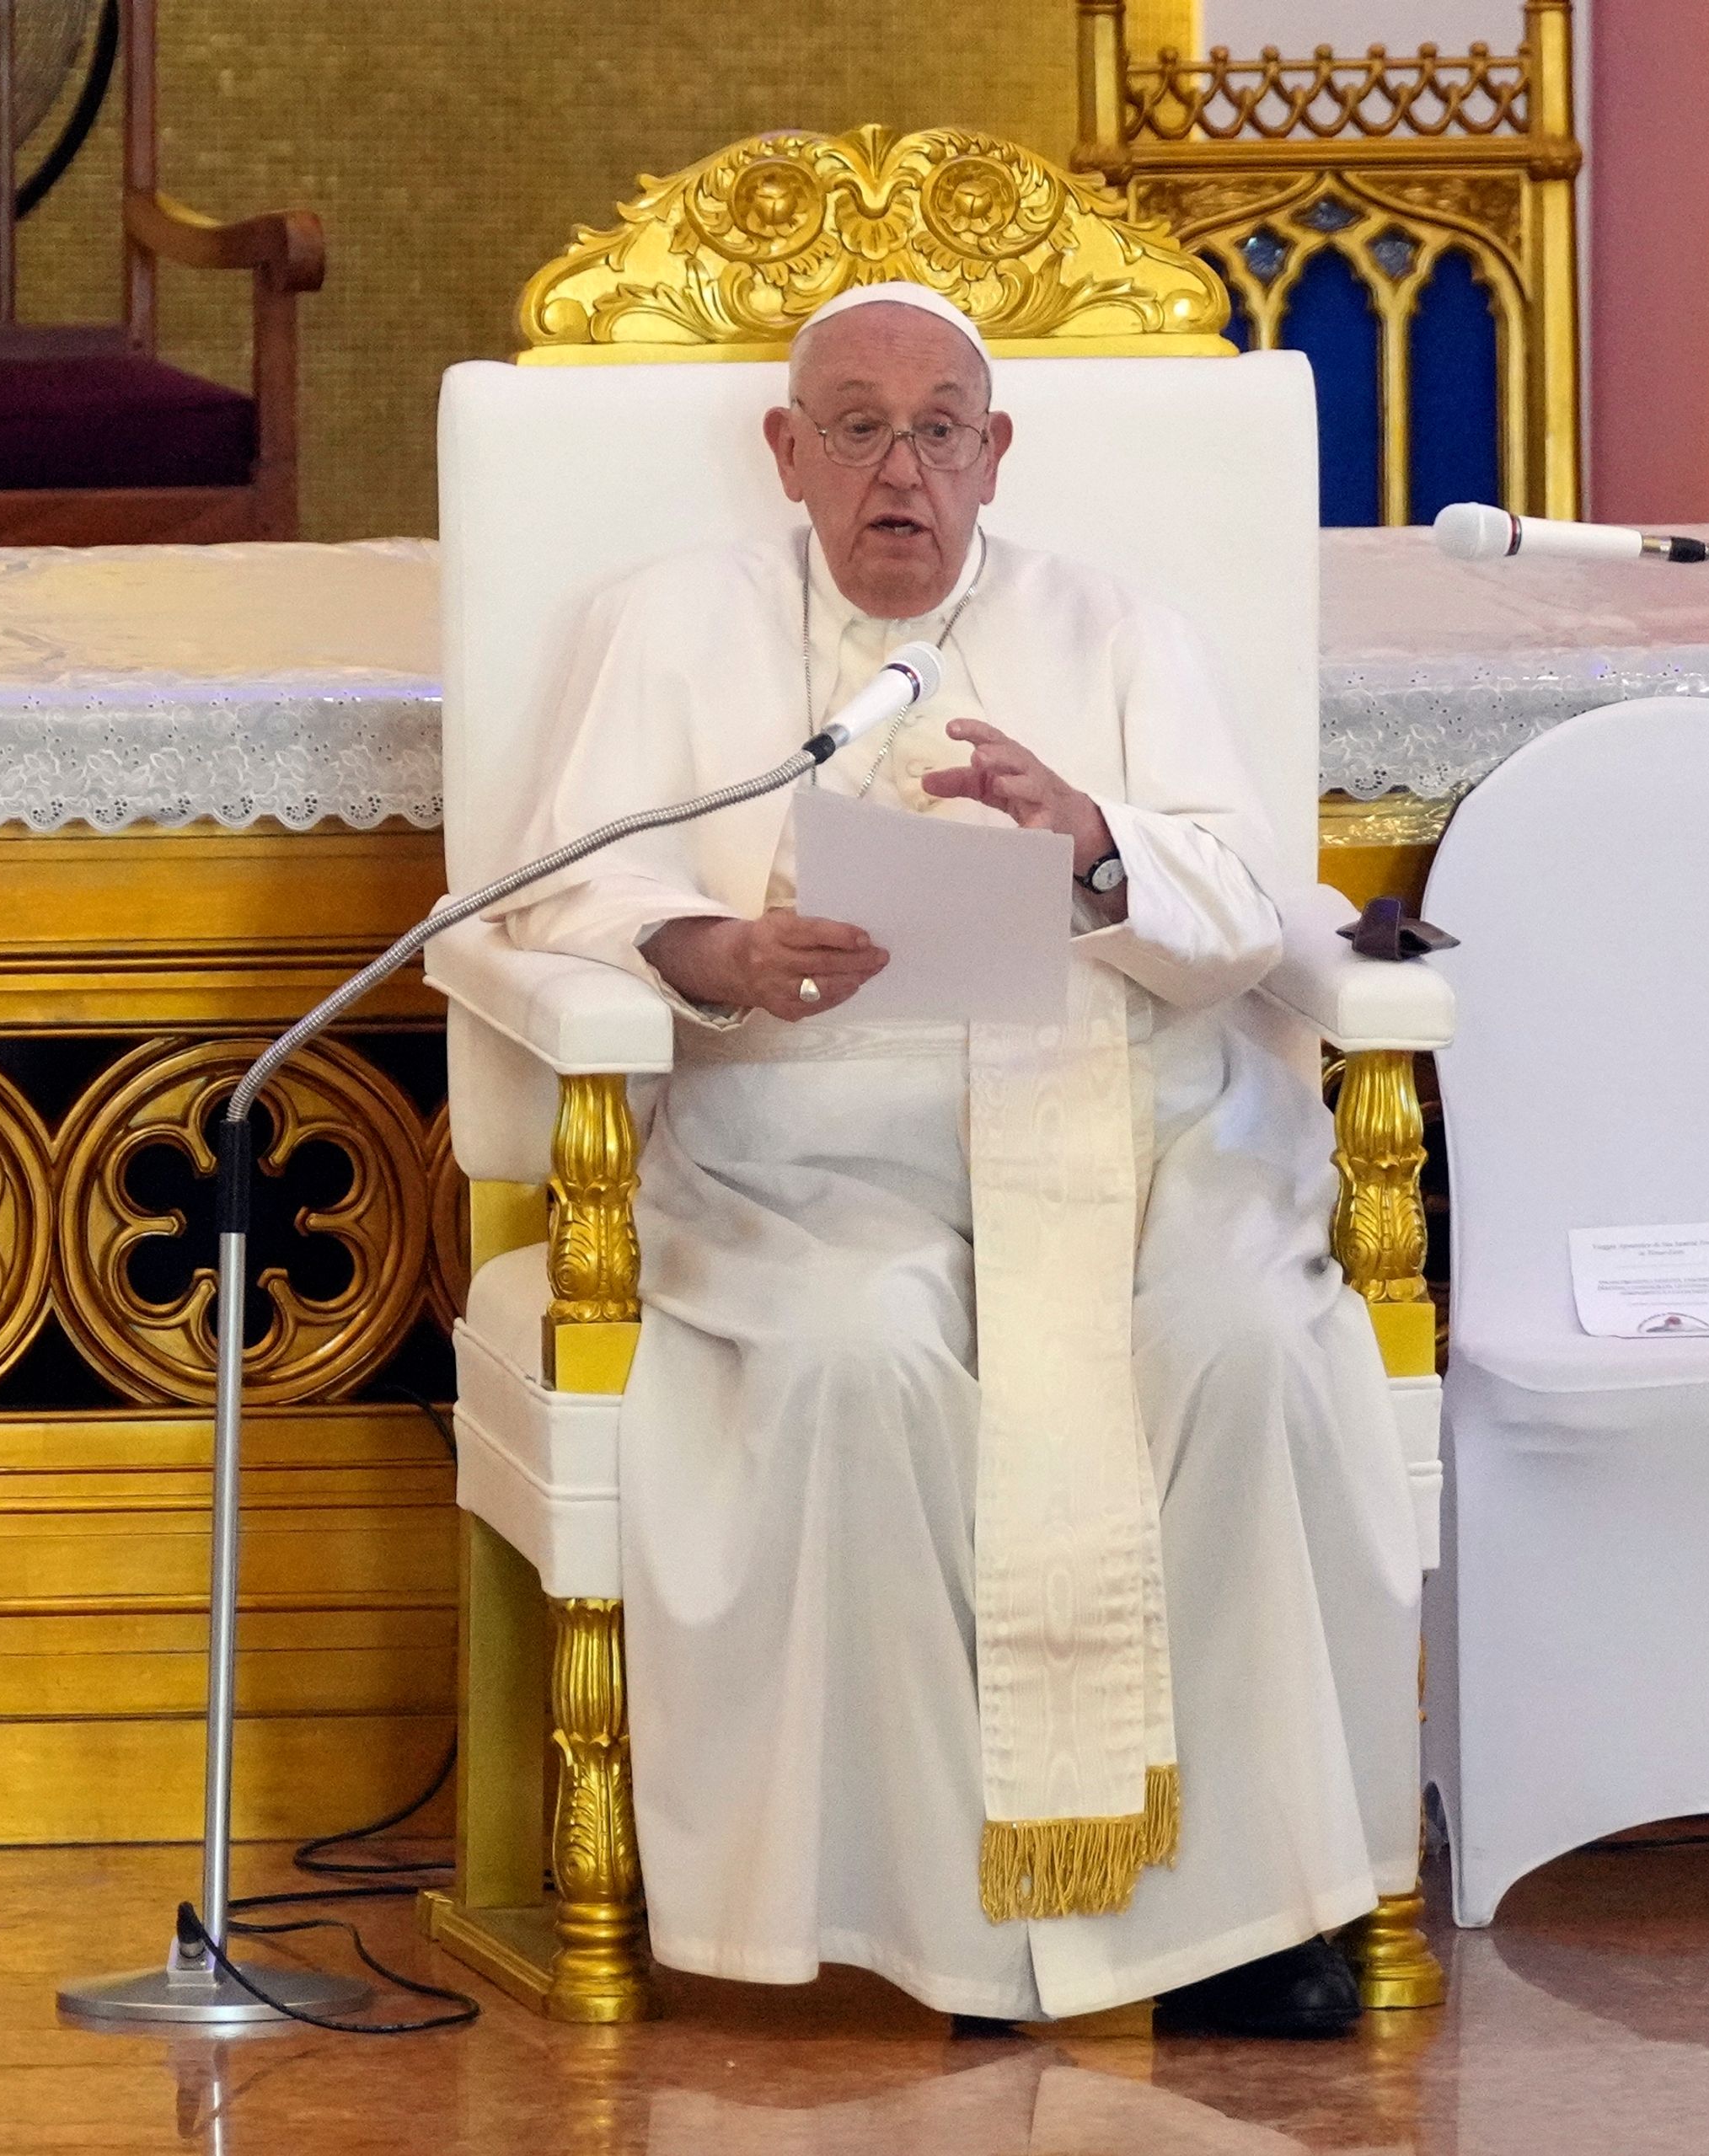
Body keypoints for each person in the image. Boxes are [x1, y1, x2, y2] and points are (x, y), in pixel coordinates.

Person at [496, 281, 1419, 2037]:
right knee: (864, 1354)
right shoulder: (669, 628)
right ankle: (949, 1925)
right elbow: (568, 886)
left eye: (938, 428)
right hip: (816, 1135)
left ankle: (1244, 1917)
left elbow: (1249, 904)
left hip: (1130, 1119)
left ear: (997, 454)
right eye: (856, 426)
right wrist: (713, 946)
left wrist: (1093, 845)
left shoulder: (1121, 632)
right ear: (789, 452)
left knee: (1234, 1343)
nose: (899, 469)